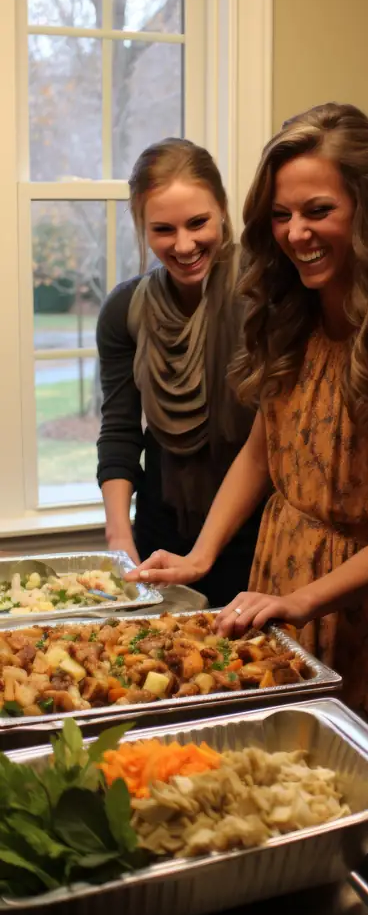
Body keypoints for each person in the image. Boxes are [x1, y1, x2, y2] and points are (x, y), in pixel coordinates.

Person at [127, 103, 368, 750]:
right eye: (280, 214)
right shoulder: (291, 316)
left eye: (317, 211)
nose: (295, 232)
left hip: (363, 607)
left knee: (345, 791)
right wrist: (202, 556)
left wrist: (308, 599)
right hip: (274, 576)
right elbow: (260, 452)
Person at [96, 138, 263, 607]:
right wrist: (119, 539)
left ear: (224, 211)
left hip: (258, 531)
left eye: (198, 223)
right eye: (163, 229)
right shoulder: (123, 310)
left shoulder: (268, 294)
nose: (184, 245)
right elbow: (121, 431)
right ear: (142, 229)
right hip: (162, 530)